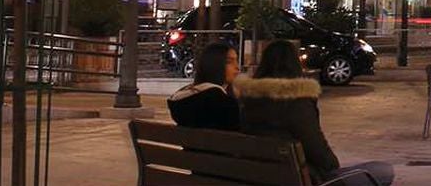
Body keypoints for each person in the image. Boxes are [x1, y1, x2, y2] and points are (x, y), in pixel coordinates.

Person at [235, 40, 394, 186]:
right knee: (383, 170)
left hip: (261, 175)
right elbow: (316, 148)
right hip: (305, 179)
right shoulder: (296, 101)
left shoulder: (247, 99)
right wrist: (332, 168)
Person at [168, 41, 242, 130]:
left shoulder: (183, 101)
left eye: (236, 61)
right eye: (229, 62)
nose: (237, 67)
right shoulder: (220, 103)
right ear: (214, 65)